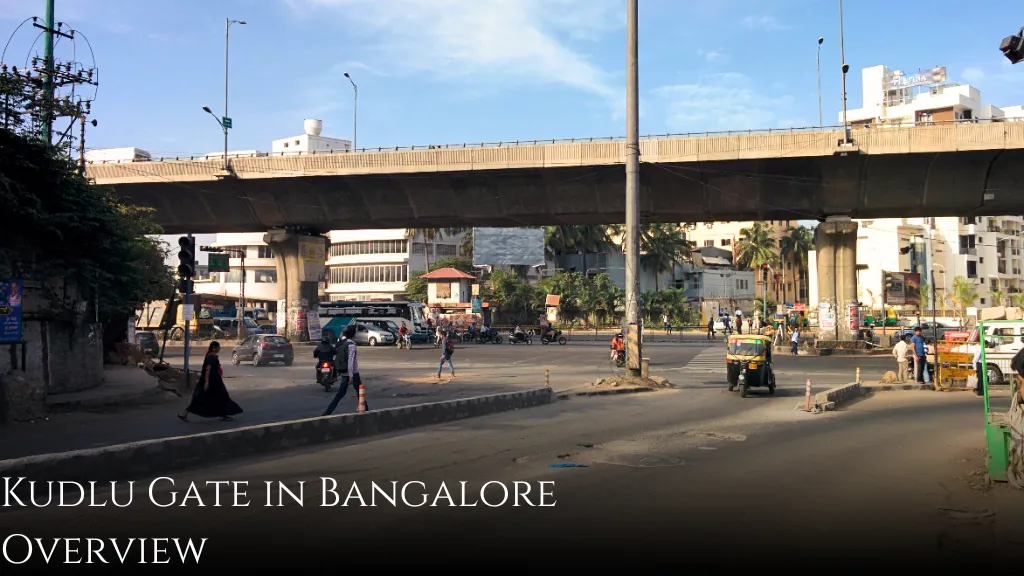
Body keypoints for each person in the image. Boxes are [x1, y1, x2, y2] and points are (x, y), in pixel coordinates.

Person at [178, 341, 242, 422]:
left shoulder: (212, 356)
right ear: (214, 348)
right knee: (200, 398)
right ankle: (185, 413)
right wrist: (207, 382)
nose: (220, 348)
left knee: (221, 397)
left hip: (215, 381)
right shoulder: (211, 357)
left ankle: (223, 414)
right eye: (218, 347)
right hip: (211, 381)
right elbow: (208, 369)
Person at [322, 324, 368, 416]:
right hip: (352, 373)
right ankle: (366, 410)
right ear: (353, 334)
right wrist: (350, 375)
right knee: (358, 391)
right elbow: (350, 361)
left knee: (342, 394)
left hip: (345, 373)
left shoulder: (343, 342)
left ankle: (328, 412)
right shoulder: (352, 345)